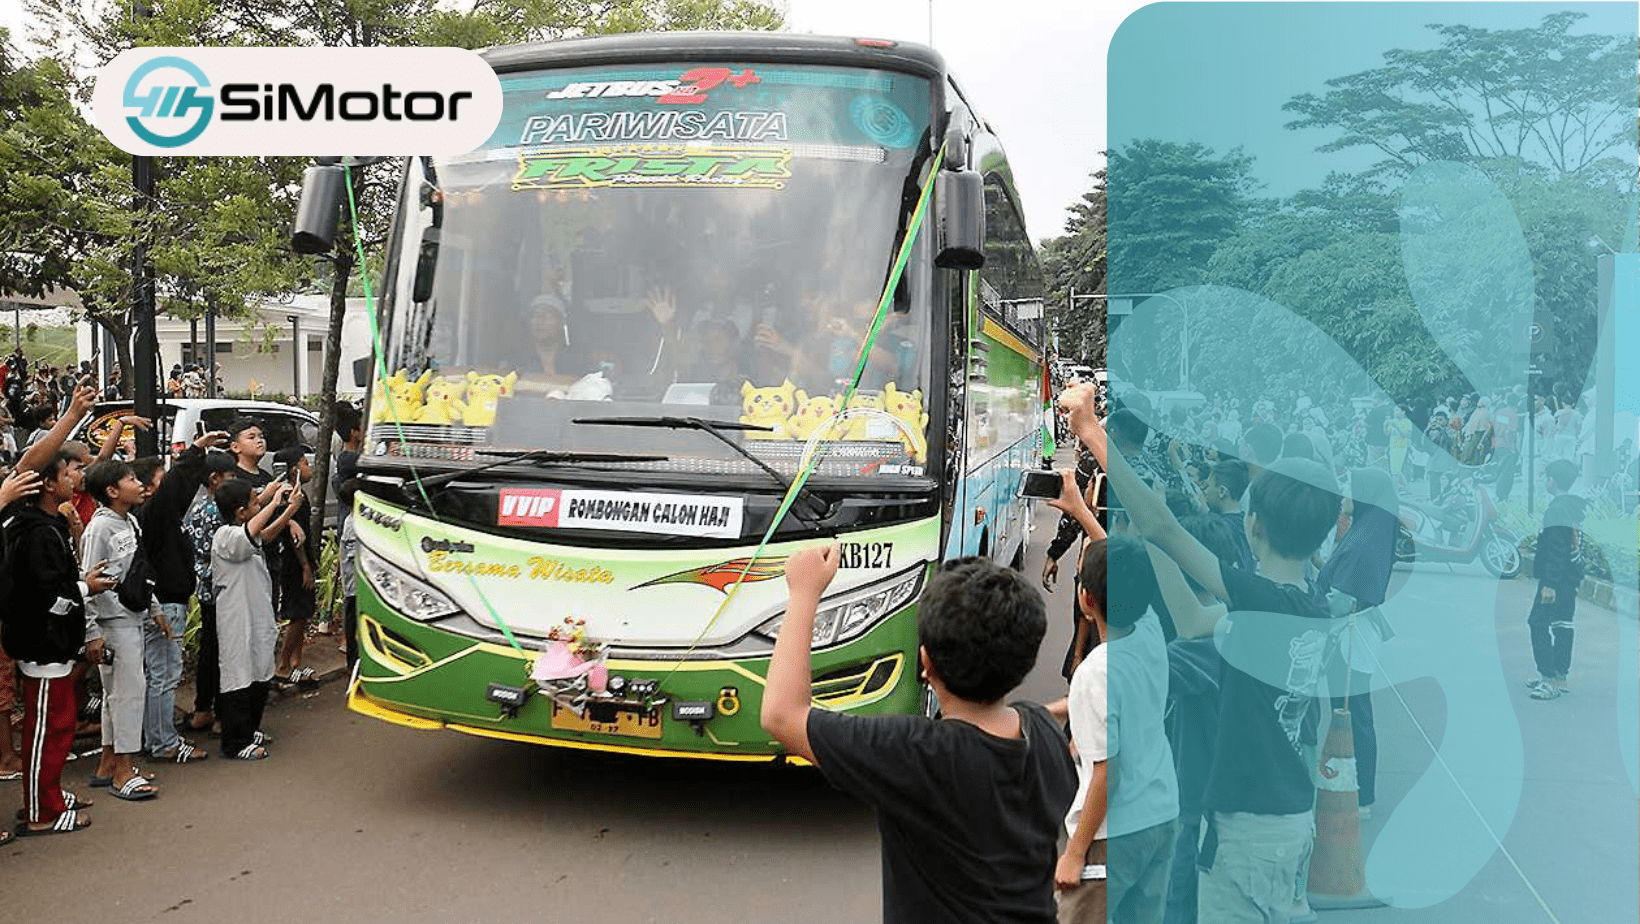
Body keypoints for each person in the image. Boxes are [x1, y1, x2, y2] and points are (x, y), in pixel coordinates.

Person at [1065, 382, 1340, 924]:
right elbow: (1194, 621)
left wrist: (1093, 432)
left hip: (1247, 830)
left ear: (1254, 527)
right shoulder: (1312, 612)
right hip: (1291, 817)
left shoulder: (1258, 601)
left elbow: (1167, 532)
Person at [760, 546, 1076, 924]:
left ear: (925, 662)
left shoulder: (918, 754)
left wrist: (803, 593)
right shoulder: (1043, 733)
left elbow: (782, 715)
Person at [1054, 535, 1178, 924]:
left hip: (1113, 835)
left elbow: (1109, 772)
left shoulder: (1094, 674)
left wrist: (1075, 852)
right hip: (1161, 814)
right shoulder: (1151, 632)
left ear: (1085, 599)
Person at [2, 457, 114, 838]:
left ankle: (47, 794)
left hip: (52, 642)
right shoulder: (34, 531)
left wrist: (80, 583)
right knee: (45, 730)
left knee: (59, 726)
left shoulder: (49, 525)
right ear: (48, 484)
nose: (77, 477)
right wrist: (86, 589)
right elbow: (42, 593)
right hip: (42, 643)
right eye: (68, 472)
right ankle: (39, 810)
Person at [139, 427, 226, 764]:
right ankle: (163, 743)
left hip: (167, 603)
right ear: (148, 489)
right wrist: (195, 451)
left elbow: (179, 487)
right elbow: (176, 486)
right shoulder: (154, 514)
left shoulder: (159, 516)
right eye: (160, 479)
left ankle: (156, 736)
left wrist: (195, 453)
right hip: (166, 605)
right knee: (163, 674)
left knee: (159, 673)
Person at [1316, 469, 1400, 817]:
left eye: (1351, 489)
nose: (1345, 494)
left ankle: (1361, 794)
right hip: (1352, 635)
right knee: (1350, 712)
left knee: (1353, 714)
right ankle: (1352, 785)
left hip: (1350, 638)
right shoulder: (1368, 530)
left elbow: (1342, 599)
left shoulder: (1364, 542)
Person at [79, 459, 160, 801]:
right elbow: (86, 581)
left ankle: (108, 764)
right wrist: (91, 631)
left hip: (131, 618)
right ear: (112, 491)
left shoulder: (128, 522)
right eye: (130, 479)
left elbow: (136, 572)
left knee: (118, 697)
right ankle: (124, 771)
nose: (139, 483)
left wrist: (154, 610)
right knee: (128, 695)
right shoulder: (100, 528)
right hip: (112, 624)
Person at [212, 478, 300, 759]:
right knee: (239, 675)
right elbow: (252, 534)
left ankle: (249, 730)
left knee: (260, 669)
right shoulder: (225, 536)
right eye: (253, 501)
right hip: (236, 617)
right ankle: (235, 742)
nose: (258, 503)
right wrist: (274, 503)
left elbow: (266, 534)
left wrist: (288, 511)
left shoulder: (243, 532)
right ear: (240, 512)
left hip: (256, 613)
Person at [182, 451, 242, 733]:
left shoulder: (197, 508)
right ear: (214, 479)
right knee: (223, 652)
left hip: (208, 592)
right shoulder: (216, 510)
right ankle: (220, 714)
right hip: (222, 591)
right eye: (231, 476)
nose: (234, 481)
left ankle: (203, 708)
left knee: (210, 649)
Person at [1526, 460, 1587, 701]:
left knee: (1537, 622)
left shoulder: (1556, 511)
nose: (1545, 481)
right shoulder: (1573, 508)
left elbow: (1556, 548)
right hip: (1570, 578)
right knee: (1562, 624)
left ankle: (1548, 678)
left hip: (1556, 579)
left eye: (1546, 477)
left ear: (1552, 481)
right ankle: (1559, 675)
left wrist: (1549, 583)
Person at [270, 445, 317, 685]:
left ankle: (297, 662)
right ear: (293, 469)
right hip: (293, 562)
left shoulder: (299, 494)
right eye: (305, 463)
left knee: (305, 611)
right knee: (297, 613)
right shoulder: (290, 497)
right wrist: (306, 566)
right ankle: (283, 664)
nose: (309, 468)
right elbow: (295, 539)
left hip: (302, 559)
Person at [1204, 460, 1255, 573]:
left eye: (1208, 486)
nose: (1205, 492)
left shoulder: (1217, 529)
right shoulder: (1248, 523)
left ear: (1222, 491)